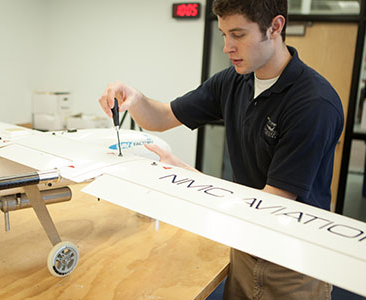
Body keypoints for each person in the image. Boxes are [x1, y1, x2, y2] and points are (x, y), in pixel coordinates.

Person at [98, 0, 344, 299]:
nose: (227, 47)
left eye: (238, 35)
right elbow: (161, 117)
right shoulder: (234, 81)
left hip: (292, 261)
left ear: (276, 27)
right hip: (245, 241)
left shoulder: (313, 103)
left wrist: (191, 180)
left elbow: (271, 204)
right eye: (223, 34)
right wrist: (134, 99)